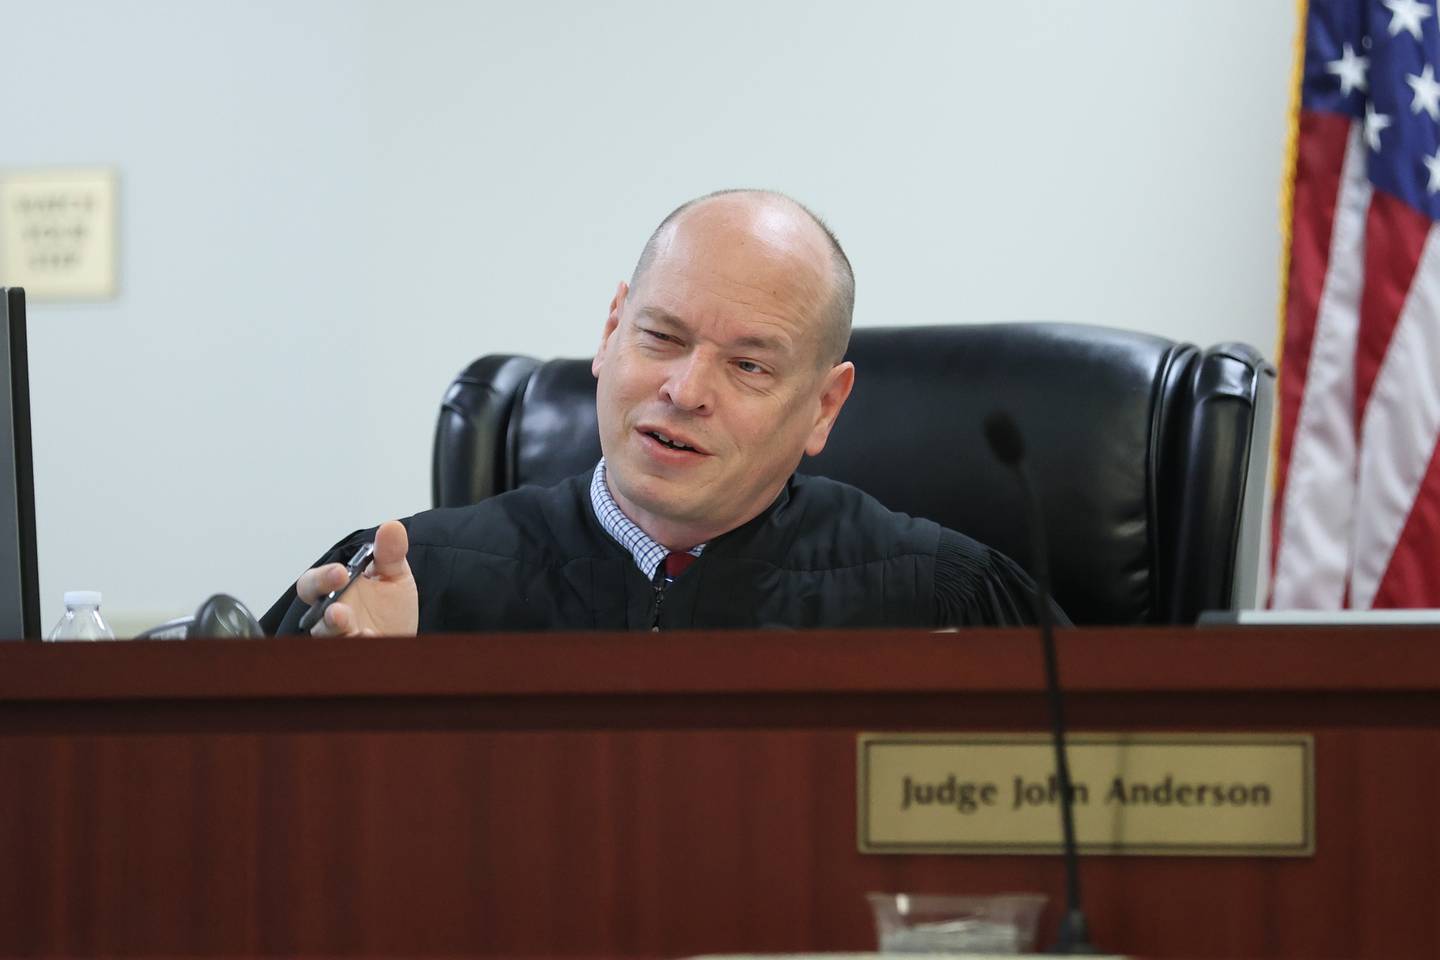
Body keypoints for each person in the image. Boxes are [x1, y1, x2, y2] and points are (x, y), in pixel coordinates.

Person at [263, 189, 1065, 635]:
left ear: (824, 406)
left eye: (748, 365)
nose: (685, 390)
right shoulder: (418, 583)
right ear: (611, 332)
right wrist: (361, 705)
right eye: (662, 336)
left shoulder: (938, 603)